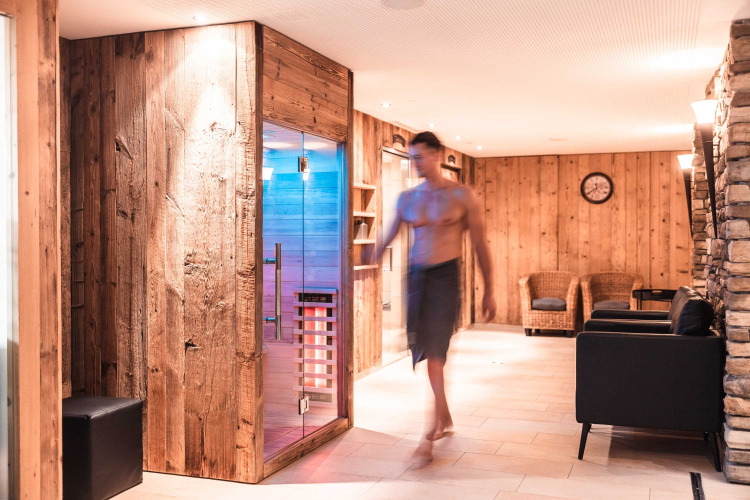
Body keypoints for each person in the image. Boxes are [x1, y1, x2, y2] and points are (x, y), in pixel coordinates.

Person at [373, 131, 496, 461]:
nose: (414, 164)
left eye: (419, 157)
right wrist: (366, 262)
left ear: (436, 155)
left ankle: (431, 428)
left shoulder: (461, 196)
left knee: (437, 353)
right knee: (426, 352)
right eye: (411, 158)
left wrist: (489, 290)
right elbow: (387, 237)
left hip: (445, 278)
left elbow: (480, 245)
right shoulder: (408, 198)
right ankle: (446, 417)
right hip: (416, 279)